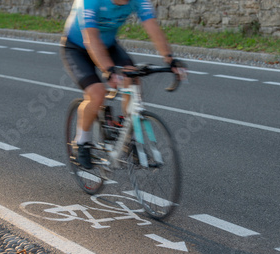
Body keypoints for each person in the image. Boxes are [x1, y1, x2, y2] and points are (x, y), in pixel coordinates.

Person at [60, 0, 186, 169]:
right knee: (97, 94)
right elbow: (91, 38)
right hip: (76, 47)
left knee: (133, 79)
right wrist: (109, 71)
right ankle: (82, 142)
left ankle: (128, 137)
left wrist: (170, 59)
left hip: (108, 45)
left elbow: (151, 26)